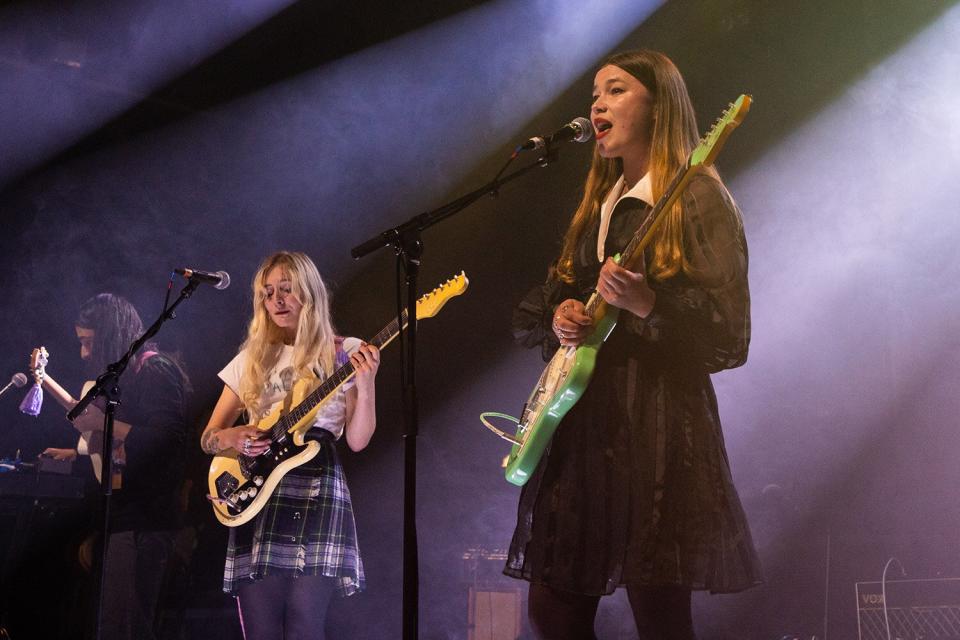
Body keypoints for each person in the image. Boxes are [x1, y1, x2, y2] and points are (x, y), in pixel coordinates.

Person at [504, 50, 762, 639]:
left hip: (657, 423)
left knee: (660, 611)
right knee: (554, 607)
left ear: (658, 105)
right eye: (595, 92)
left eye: (616, 90)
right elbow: (541, 306)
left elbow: (729, 335)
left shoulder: (696, 196)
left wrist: (648, 305)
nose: (597, 103)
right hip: (586, 425)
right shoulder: (599, 202)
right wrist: (563, 317)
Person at [200, 251, 379, 640]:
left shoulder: (344, 350)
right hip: (258, 487)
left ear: (310, 294)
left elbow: (358, 440)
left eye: (287, 290)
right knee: (260, 628)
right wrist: (233, 436)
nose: (277, 300)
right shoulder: (252, 358)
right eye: (268, 293)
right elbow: (209, 437)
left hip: (317, 483)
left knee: (304, 623)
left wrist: (365, 385)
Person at [44, 293, 190, 640]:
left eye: (89, 343)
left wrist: (105, 424)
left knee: (128, 626)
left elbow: (170, 442)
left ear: (110, 336)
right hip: (123, 517)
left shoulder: (156, 370)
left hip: (147, 520)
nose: (84, 353)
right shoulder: (123, 379)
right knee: (111, 625)